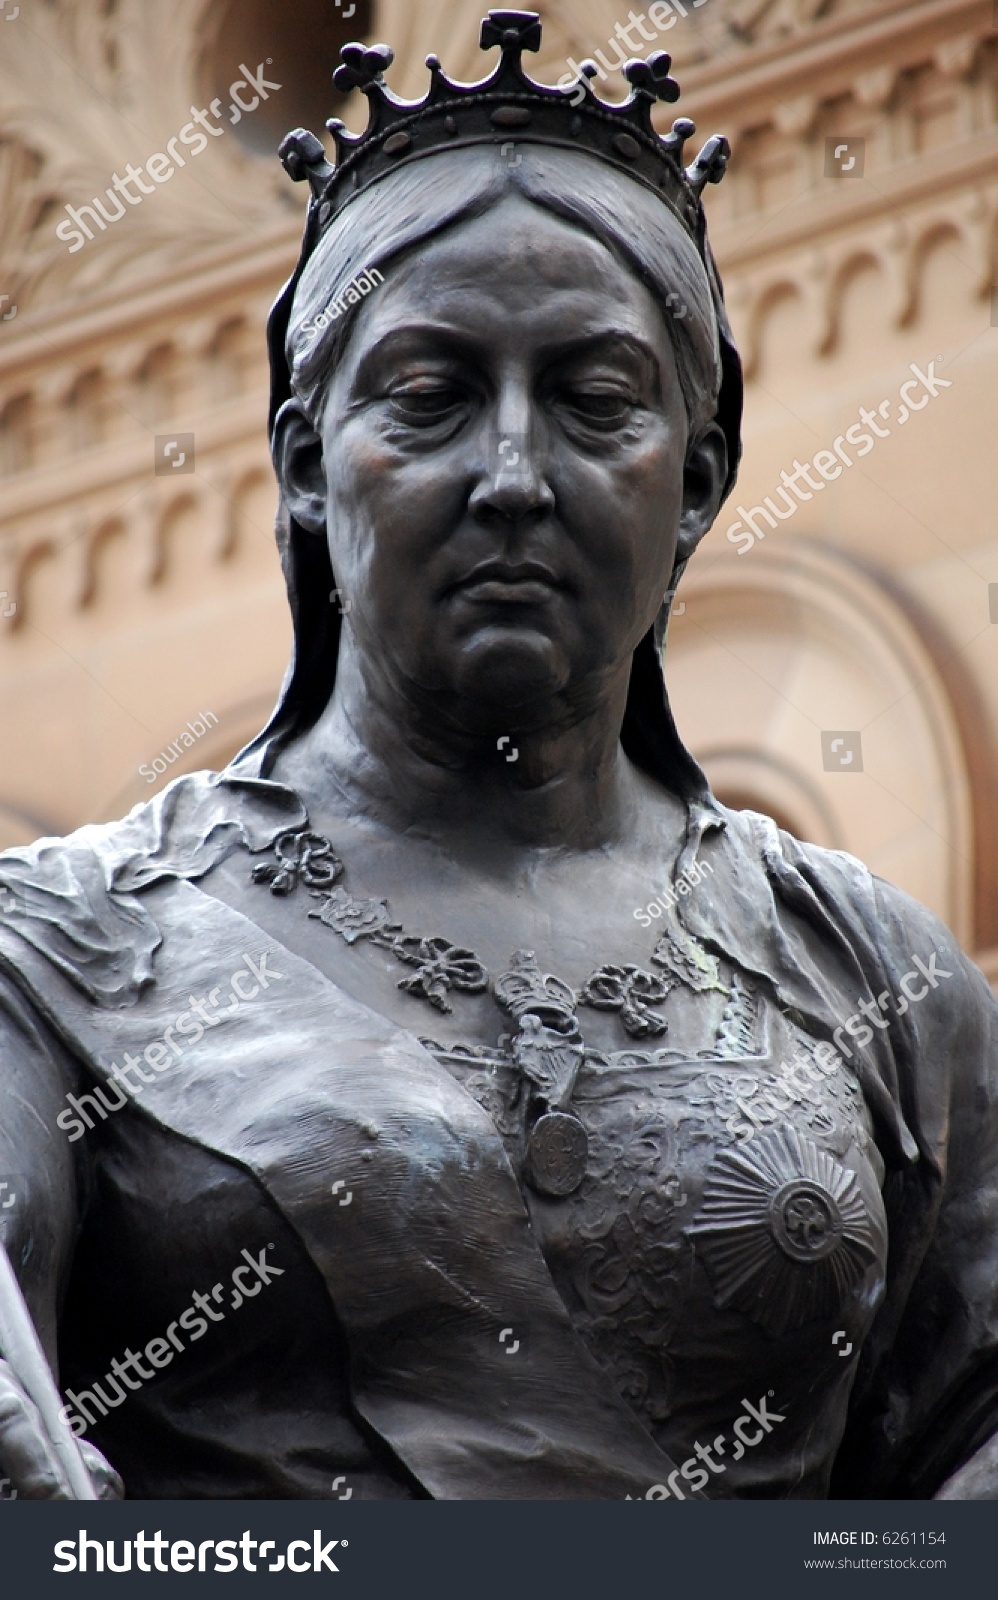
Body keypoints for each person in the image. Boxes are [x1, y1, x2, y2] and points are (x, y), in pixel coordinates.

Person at [0, 11, 996, 1501]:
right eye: (428, 396)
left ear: (698, 478)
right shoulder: (63, 945)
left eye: (596, 402)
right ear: (303, 465)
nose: (515, 475)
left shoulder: (877, 978)